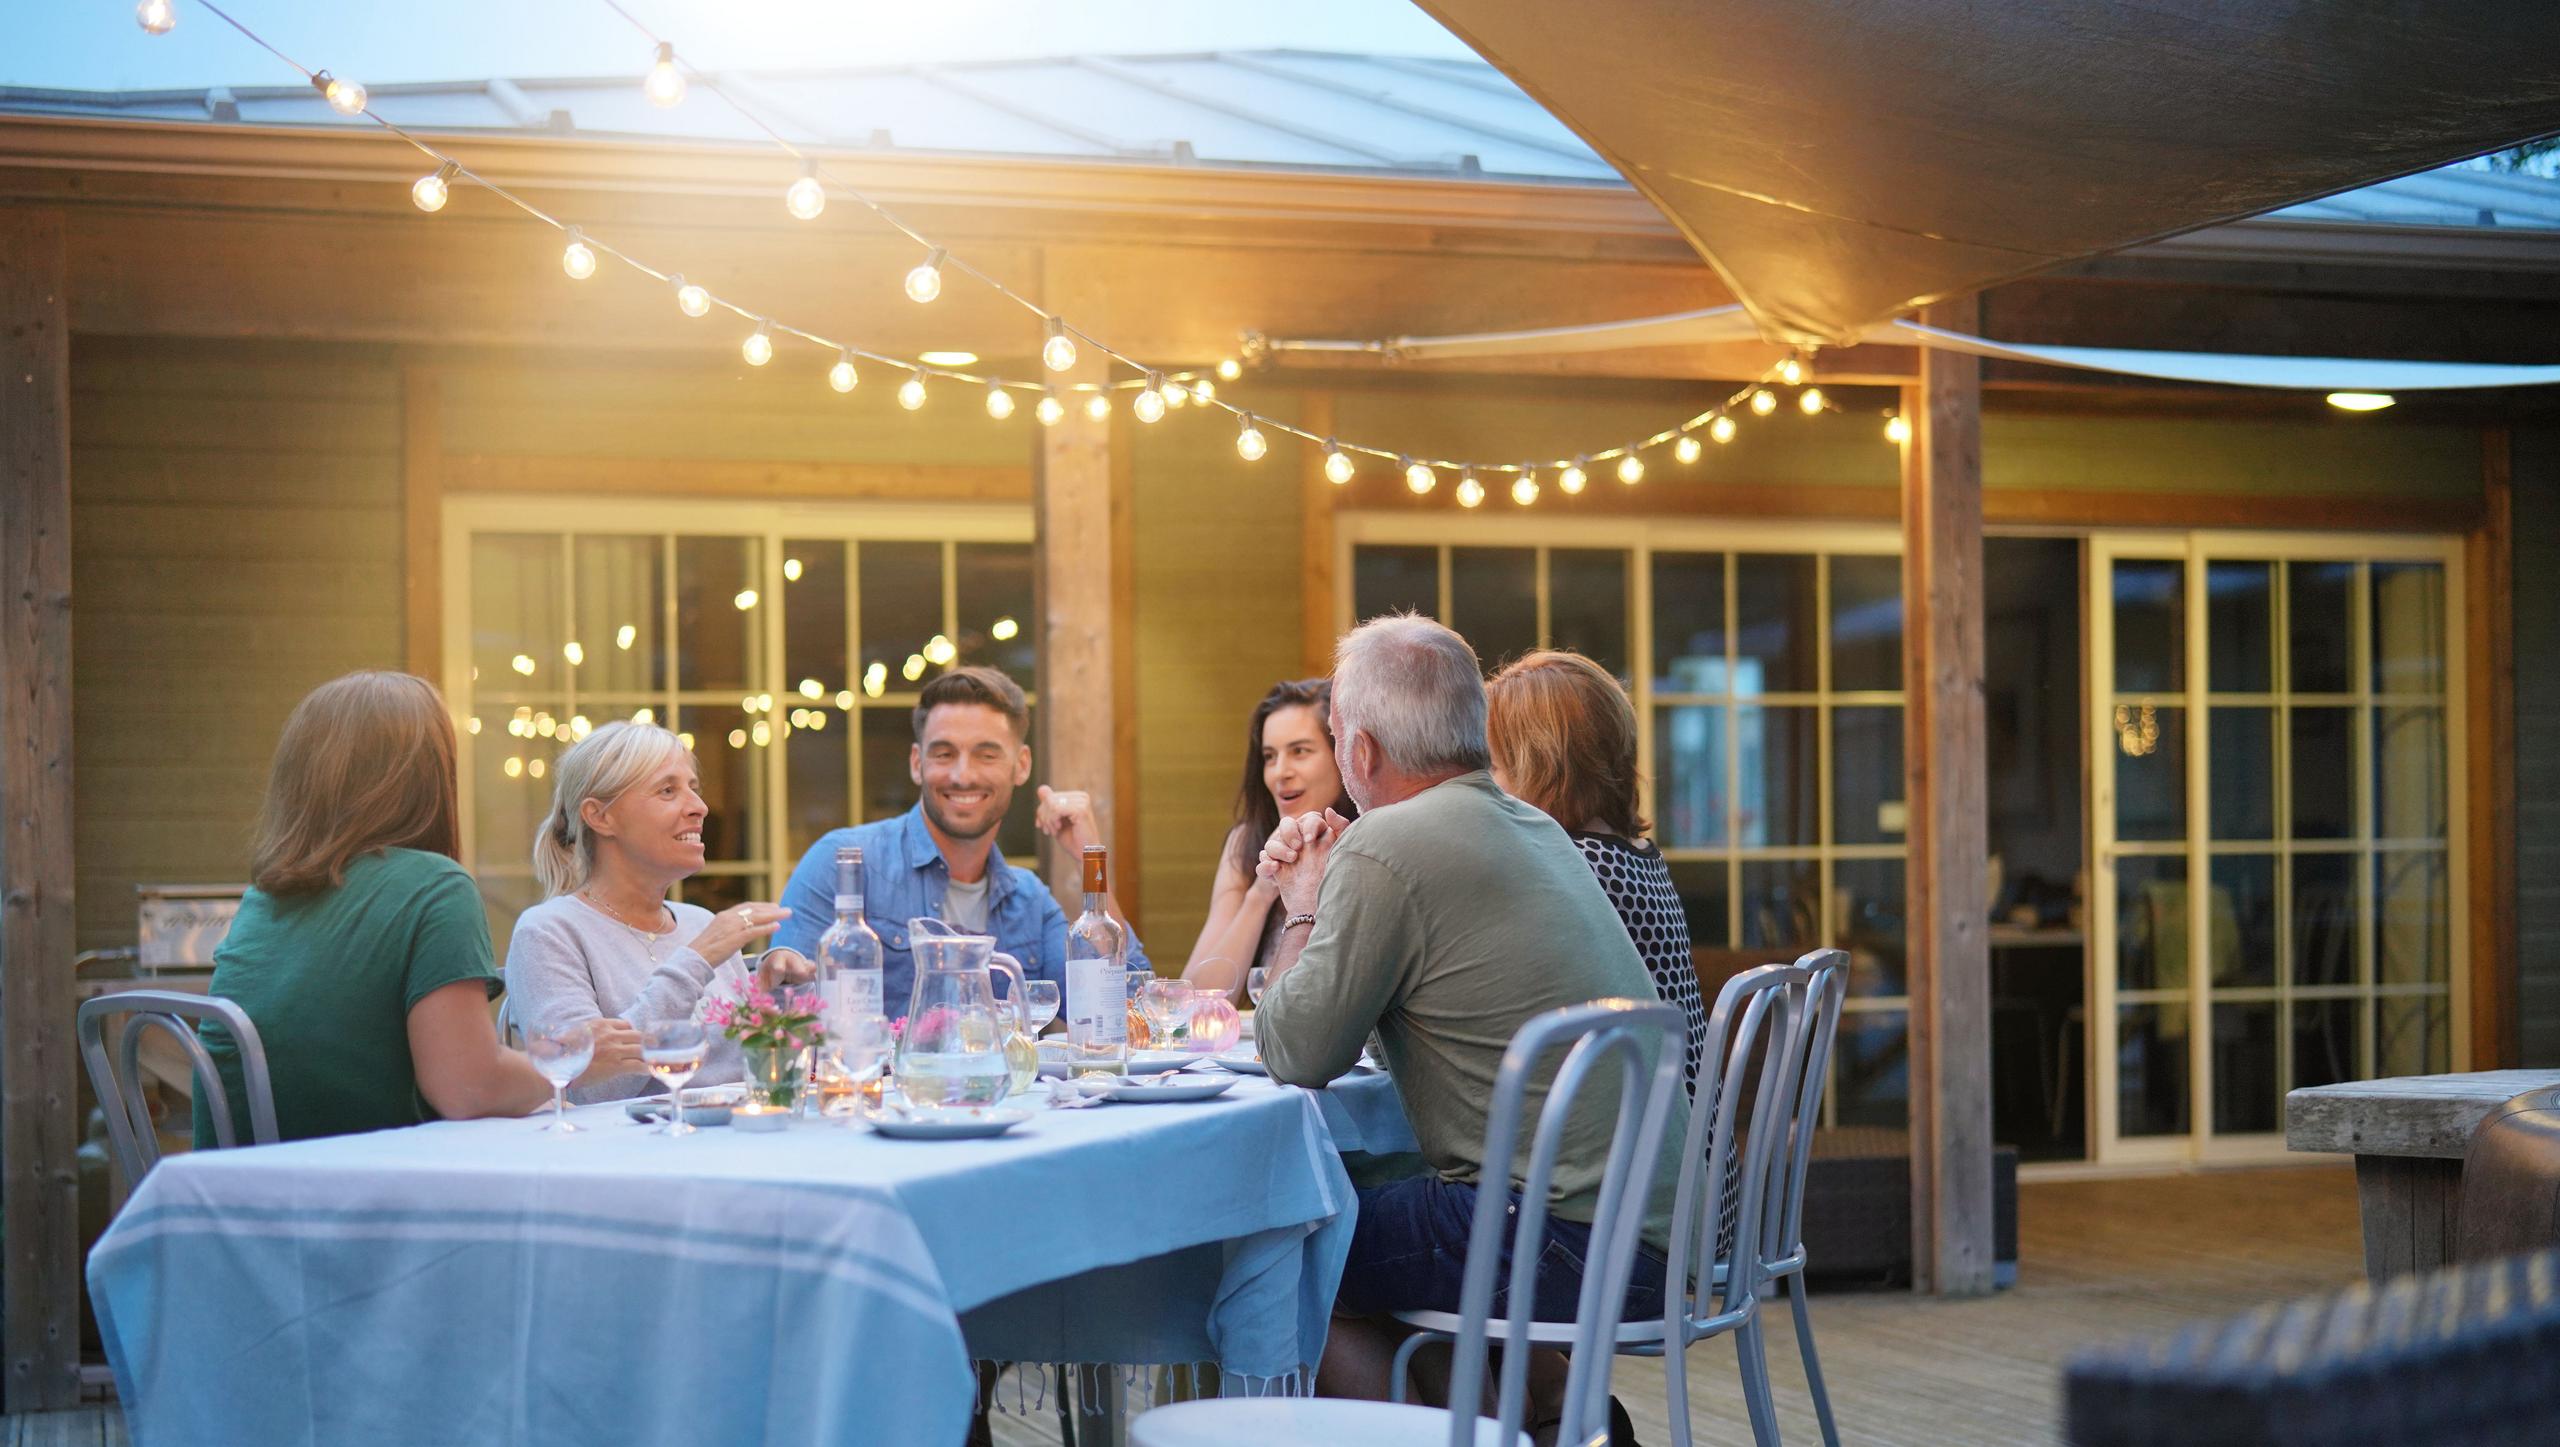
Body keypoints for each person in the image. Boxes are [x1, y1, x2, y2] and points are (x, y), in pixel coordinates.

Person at [1253, 615, 1689, 1420]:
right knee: (1401, 1209)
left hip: (1563, 1242)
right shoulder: (1535, 827)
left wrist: (1305, 908)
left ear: (1364, 751)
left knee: (1277, 1248)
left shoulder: (1385, 844)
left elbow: (1293, 1050)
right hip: (1654, 1231)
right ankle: (1522, 1421)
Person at [195, 671, 643, 1146]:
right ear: (429, 774)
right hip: (350, 1182)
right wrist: (573, 1062)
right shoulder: (433, 886)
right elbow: (466, 1086)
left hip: (240, 1178)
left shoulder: (266, 898)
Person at [772, 665, 1147, 1016]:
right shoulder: (842, 865)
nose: (963, 775)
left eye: (986, 755)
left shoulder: (1030, 901)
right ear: (917, 763)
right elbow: (782, 1015)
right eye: (944, 753)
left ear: (1021, 766)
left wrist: (1089, 861)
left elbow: (1120, 1010)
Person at [504, 721, 809, 1103]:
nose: (700, 808)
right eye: (668, 791)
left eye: (694, 789)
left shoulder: (698, 921)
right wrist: (696, 960)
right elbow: (592, 1087)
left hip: (735, 1141)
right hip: (627, 1155)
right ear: (600, 817)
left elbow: (752, 1067)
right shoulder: (548, 932)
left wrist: (783, 991)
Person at [1487, 650, 1708, 1091]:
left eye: (1492, 766)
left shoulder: (1573, 871)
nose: (1484, 784)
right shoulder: (1634, 855)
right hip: (1687, 1139)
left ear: (1541, 766)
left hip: (1632, 1145)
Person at [1180, 678, 1355, 1001]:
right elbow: (1198, 1000)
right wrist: (1261, 892)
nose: (1280, 772)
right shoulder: (1246, 841)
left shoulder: (1370, 839)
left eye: (1300, 751)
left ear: (1341, 755)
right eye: (1270, 756)